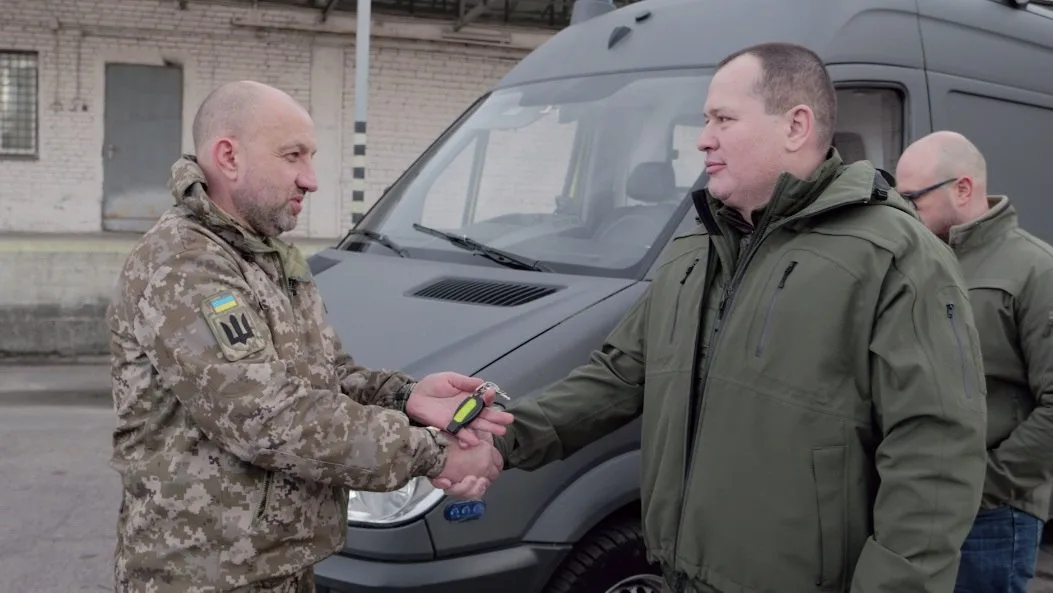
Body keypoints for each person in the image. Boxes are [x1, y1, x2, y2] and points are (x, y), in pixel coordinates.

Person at [445, 42, 990, 593]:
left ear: (795, 126)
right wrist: (501, 438)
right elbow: (617, 378)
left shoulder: (895, 256)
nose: (703, 138)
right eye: (706, 120)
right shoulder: (695, 248)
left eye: (723, 119)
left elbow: (934, 459)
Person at [105, 80, 508, 593]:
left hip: (276, 564)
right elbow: (266, 416)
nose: (311, 180)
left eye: (311, 157)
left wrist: (407, 398)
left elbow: (327, 375)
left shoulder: (264, 254)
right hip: (203, 575)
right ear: (229, 157)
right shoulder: (186, 264)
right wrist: (435, 453)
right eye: (292, 155)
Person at [896, 130, 1053, 593]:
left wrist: (980, 485)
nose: (903, 211)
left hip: (992, 518)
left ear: (963, 189)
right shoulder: (917, 262)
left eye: (912, 198)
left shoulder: (1036, 269)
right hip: (916, 502)